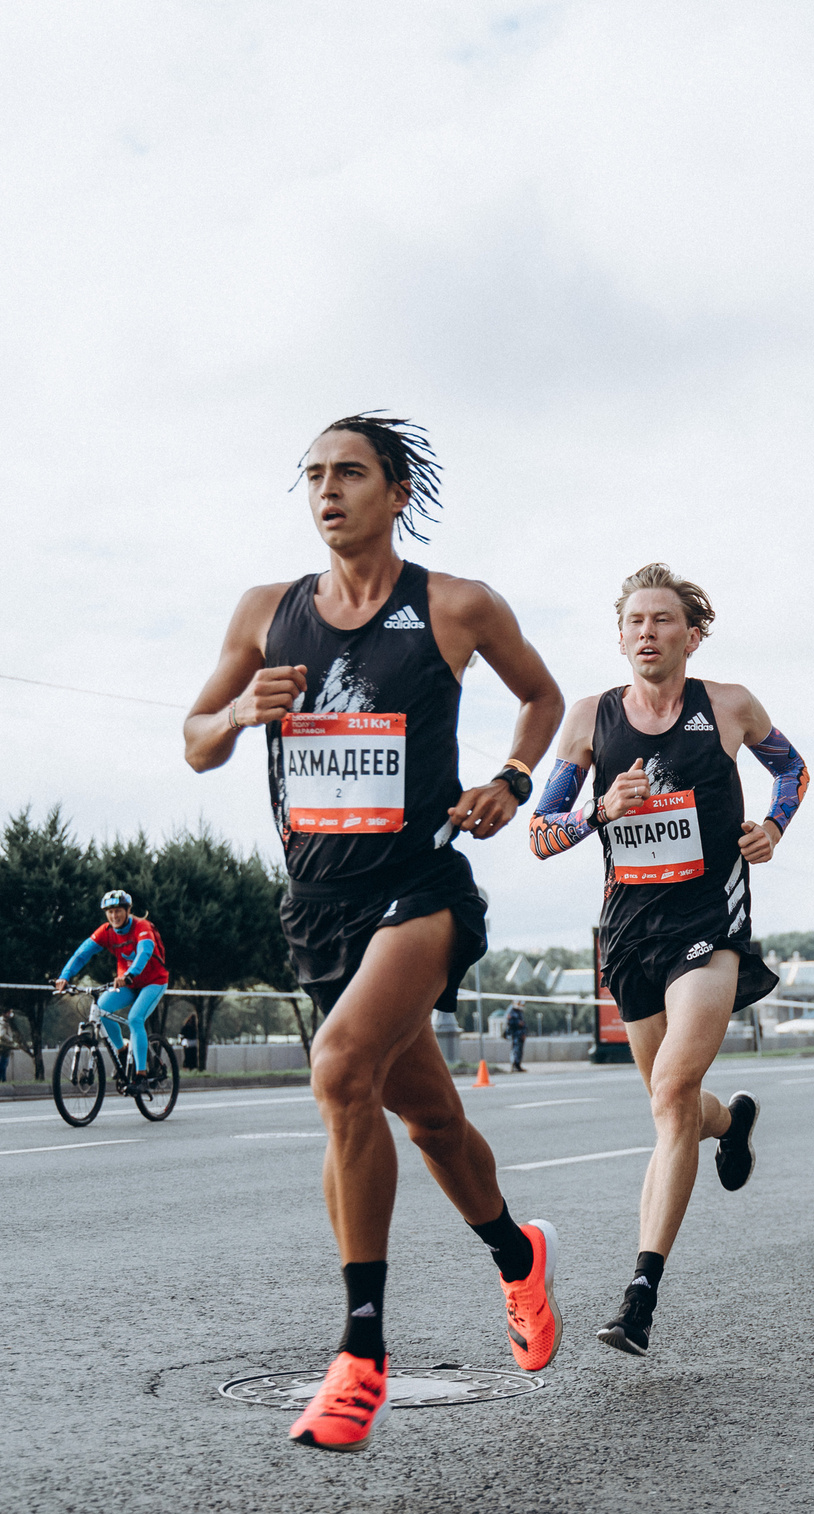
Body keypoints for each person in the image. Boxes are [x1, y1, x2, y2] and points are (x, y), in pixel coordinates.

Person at [184, 411, 567, 1451]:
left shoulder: (453, 605)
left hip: (421, 888)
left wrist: (510, 782)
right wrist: (235, 717)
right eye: (311, 474)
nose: (326, 489)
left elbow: (542, 696)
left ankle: (360, 1353)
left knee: (339, 1069)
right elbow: (194, 743)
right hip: (318, 908)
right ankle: (515, 1254)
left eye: (348, 471)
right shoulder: (267, 613)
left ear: (396, 492)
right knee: (431, 1119)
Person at [530, 563, 805, 1352]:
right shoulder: (589, 719)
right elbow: (542, 834)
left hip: (707, 924)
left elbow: (792, 767)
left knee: (672, 1088)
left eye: (663, 620)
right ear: (620, 637)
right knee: (672, 1105)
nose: (648, 632)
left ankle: (641, 1292)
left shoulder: (727, 706)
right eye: (635, 622)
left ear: (691, 633)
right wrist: (600, 811)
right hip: (629, 934)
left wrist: (775, 828)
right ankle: (734, 1121)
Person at [53, 892, 171, 1088]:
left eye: (118, 911)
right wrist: (65, 976)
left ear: (128, 911)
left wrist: (130, 974)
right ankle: (123, 1051)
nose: (114, 916)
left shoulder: (142, 926)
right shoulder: (106, 931)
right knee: (101, 1009)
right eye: (110, 912)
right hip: (128, 984)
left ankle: (141, 1075)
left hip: (153, 982)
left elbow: (145, 952)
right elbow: (81, 954)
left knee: (135, 1018)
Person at [0, 1009, 21, 1082]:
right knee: (3, 1063)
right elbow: (1, 1035)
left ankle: (2, 1079)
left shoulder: (4, 1022)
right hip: (4, 1045)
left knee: (4, 1062)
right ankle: (2, 1079)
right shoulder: (2, 1023)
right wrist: (10, 1039)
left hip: (5, 1044)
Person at [504, 999, 528, 1073]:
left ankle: (518, 1065)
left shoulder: (519, 1012)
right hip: (515, 1035)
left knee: (519, 1051)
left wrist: (524, 1033)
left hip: (520, 1035)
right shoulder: (512, 1012)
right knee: (515, 1050)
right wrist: (518, 1023)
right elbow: (511, 1023)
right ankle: (514, 1065)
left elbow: (523, 1024)